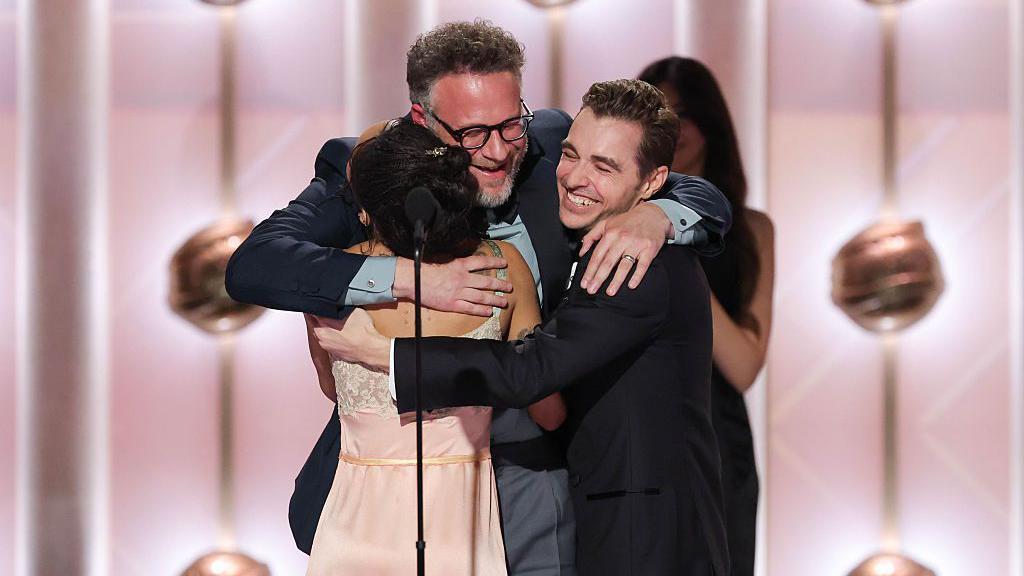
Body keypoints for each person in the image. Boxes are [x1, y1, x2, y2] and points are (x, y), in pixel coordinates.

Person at [225, 21, 731, 575]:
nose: (496, 151)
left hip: (545, 480)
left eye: (510, 124)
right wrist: (407, 278)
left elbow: (691, 192)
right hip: (405, 481)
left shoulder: (555, 149)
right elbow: (255, 264)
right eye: (472, 133)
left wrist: (658, 215)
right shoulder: (370, 171)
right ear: (422, 119)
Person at [302, 120, 562, 575]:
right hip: (457, 535)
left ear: (367, 206)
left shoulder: (330, 279)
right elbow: (549, 411)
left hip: (351, 532)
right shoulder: (502, 268)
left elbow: (332, 389)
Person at [639, 56, 775, 576]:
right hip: (637, 433)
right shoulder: (606, 223)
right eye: (662, 115)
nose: (677, 129)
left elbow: (744, 365)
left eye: (688, 113)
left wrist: (679, 241)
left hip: (718, 444)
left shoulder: (753, 232)